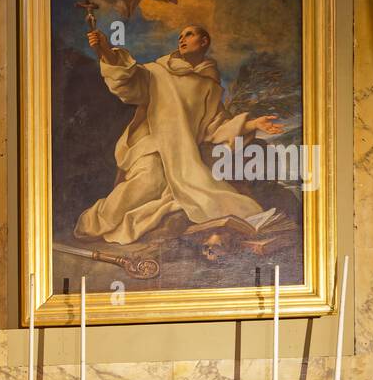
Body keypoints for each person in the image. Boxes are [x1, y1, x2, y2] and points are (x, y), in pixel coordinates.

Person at [74, 24, 284, 245]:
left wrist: (252, 124)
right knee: (149, 181)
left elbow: (215, 127)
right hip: (151, 146)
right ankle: (92, 223)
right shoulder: (158, 71)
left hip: (183, 157)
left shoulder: (209, 86)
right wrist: (106, 51)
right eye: (180, 36)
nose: (182, 39)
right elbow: (129, 83)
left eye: (189, 34)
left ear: (204, 42)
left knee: (207, 197)